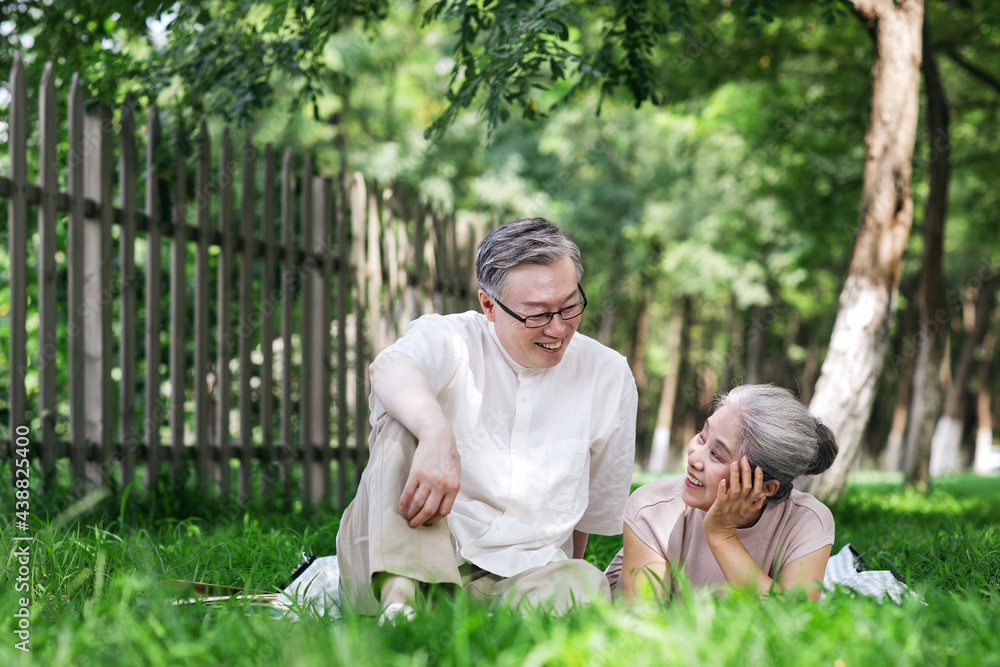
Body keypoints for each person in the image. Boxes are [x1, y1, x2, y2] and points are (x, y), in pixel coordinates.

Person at [337, 217, 638, 620]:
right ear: (488, 305)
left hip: (519, 577)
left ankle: (456, 619)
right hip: (405, 555)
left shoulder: (608, 374)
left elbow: (586, 516)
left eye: (570, 306)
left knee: (586, 582)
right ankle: (400, 610)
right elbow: (389, 368)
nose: (559, 328)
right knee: (402, 419)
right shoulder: (451, 338)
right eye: (538, 314)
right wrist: (435, 431)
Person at [606, 384, 837, 602]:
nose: (694, 457)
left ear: (765, 488)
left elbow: (796, 619)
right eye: (702, 437)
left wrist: (722, 536)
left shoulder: (806, 521)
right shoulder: (652, 508)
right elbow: (644, 623)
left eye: (716, 455)